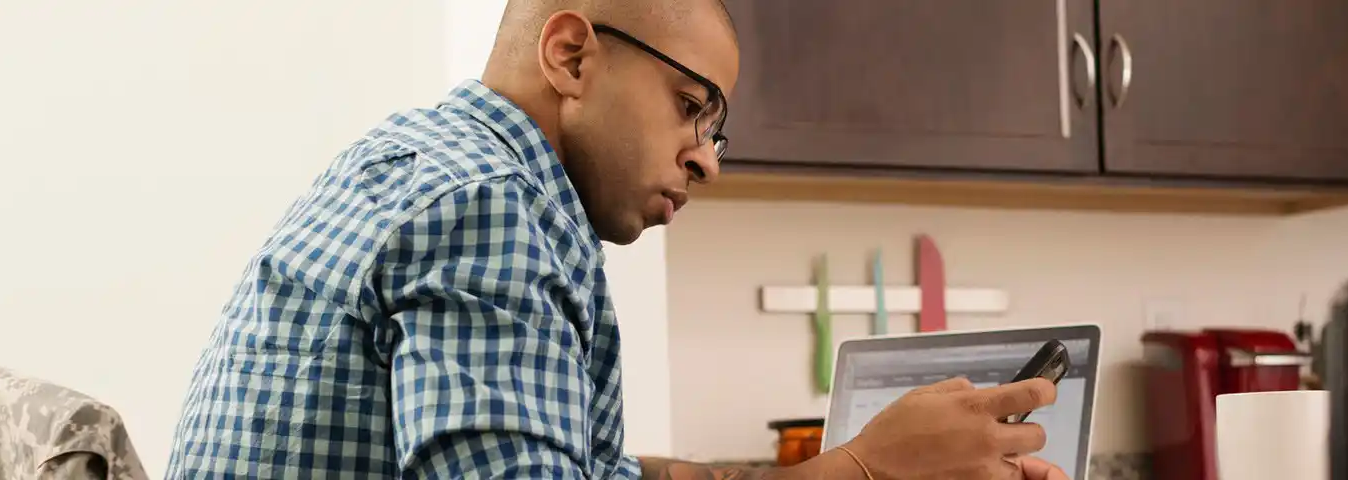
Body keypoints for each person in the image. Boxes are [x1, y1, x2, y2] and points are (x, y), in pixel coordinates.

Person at [164, 0, 1068, 478]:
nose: (708, 160)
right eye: (690, 106)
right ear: (571, 55)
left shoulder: (421, 160)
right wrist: (868, 472)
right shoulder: (489, 206)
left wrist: (856, 463)